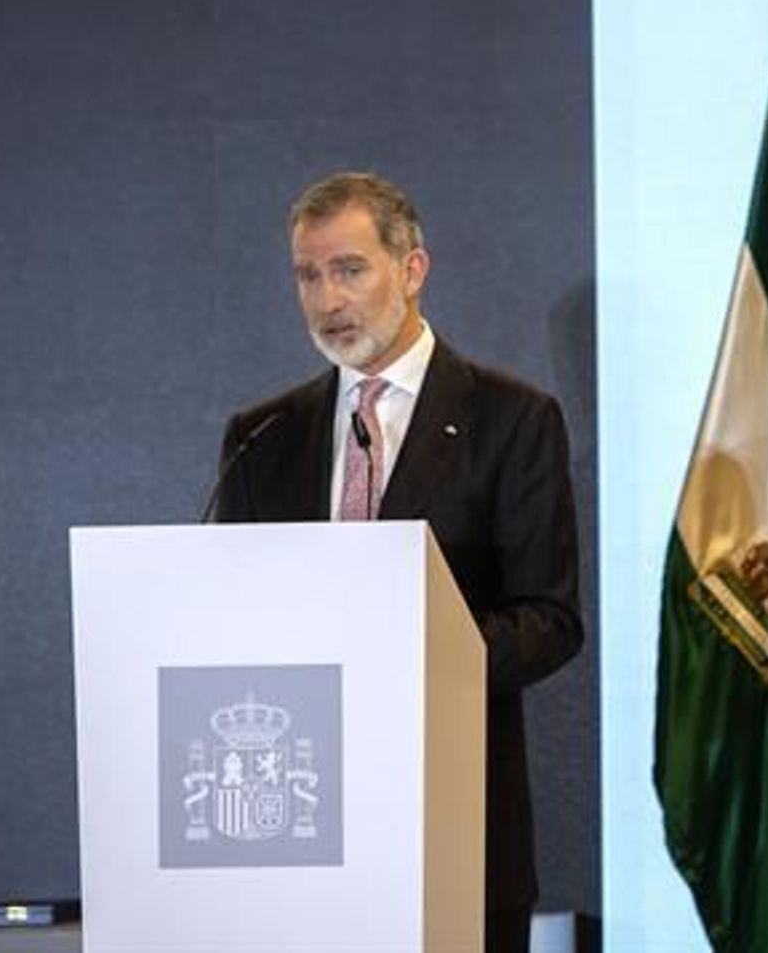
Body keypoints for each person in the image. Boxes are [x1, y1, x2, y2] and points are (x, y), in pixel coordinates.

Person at [213, 171, 583, 953]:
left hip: (452, 828)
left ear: (412, 270)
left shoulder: (512, 419)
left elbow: (549, 621)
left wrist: (414, 653)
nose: (326, 299)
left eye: (349, 269)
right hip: (296, 849)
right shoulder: (261, 436)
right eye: (308, 276)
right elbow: (231, 623)